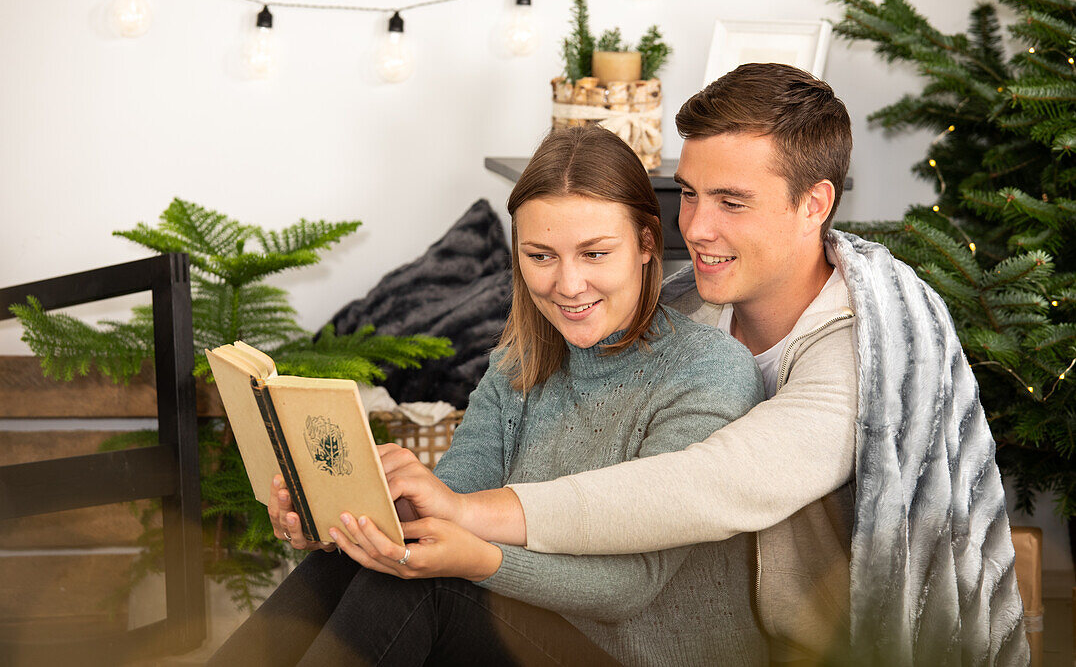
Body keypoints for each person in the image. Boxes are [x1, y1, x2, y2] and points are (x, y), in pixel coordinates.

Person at [374, 64, 1030, 666]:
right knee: (380, 573)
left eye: (731, 201)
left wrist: (467, 515)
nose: (696, 227)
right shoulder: (686, 304)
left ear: (815, 204)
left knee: (423, 594)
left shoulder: (870, 358)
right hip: (614, 623)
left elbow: (700, 486)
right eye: (689, 194)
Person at [210, 125, 769, 666]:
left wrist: (480, 561)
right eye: (541, 255)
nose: (567, 284)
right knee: (359, 566)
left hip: (638, 653)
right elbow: (455, 495)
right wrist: (342, 518)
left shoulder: (708, 372)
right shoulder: (519, 364)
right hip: (526, 628)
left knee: (421, 587)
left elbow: (629, 588)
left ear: (647, 245)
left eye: (595, 254)